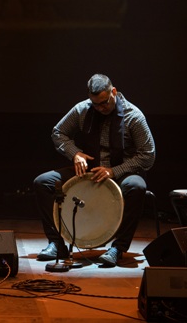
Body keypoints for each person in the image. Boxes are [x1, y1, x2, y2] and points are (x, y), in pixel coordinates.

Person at [33, 73, 155, 267]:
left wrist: (114, 171)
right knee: (43, 182)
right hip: (88, 171)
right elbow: (58, 132)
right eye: (95, 104)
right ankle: (56, 244)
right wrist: (75, 154)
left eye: (104, 103)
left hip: (120, 173)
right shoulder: (83, 109)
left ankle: (118, 248)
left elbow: (148, 155)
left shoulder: (134, 116)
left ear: (113, 92)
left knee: (137, 186)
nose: (100, 108)